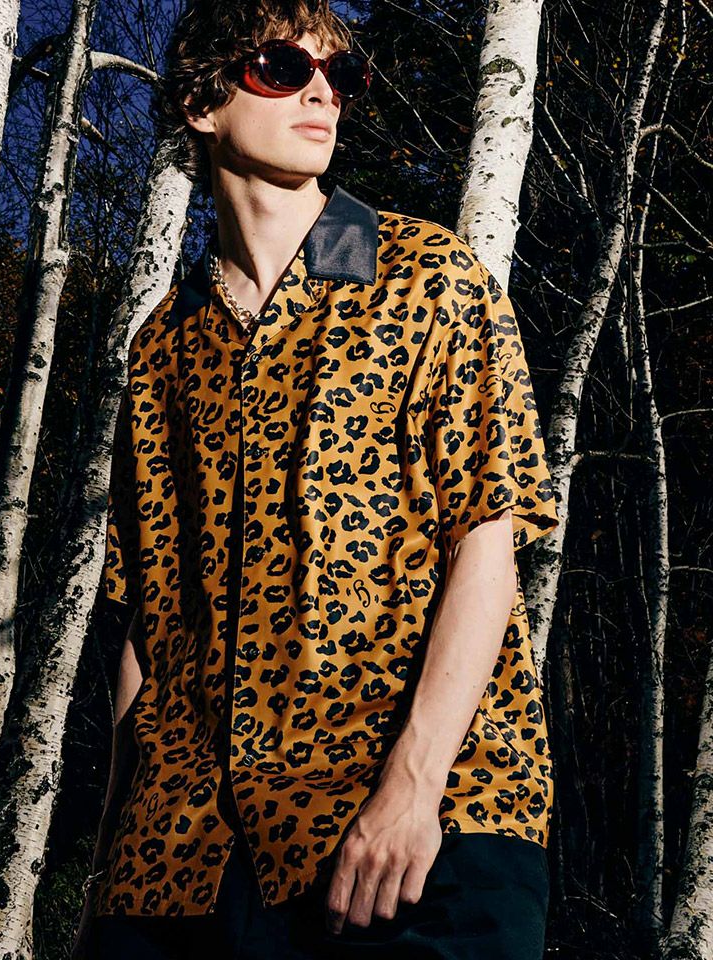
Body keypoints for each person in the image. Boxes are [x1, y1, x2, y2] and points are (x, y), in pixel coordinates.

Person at [71, 1, 561, 957]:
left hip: (421, 831)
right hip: (185, 861)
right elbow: (149, 616)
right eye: (283, 67)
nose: (323, 93)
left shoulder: (426, 275)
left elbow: (488, 538)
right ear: (201, 104)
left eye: (341, 74)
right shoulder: (164, 343)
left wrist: (413, 787)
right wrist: (114, 864)